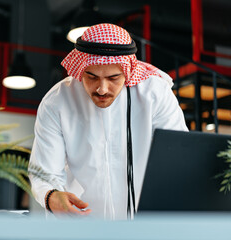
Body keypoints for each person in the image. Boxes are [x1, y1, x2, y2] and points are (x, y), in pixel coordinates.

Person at [28, 23, 188, 220]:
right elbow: (44, 172)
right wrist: (51, 196)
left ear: (128, 71)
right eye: (91, 76)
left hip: (148, 224)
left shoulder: (155, 95)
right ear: (80, 69)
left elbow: (178, 159)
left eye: (113, 77)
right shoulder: (57, 102)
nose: (102, 89)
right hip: (81, 224)